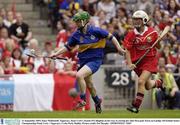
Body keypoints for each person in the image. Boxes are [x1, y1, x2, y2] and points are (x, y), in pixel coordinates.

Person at [50, 11, 125, 113]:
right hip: (83, 62)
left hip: (95, 60)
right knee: (89, 85)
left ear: (85, 21)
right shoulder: (76, 34)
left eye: (78, 22)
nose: (76, 24)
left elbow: (111, 37)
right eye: (76, 22)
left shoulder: (96, 30)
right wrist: (56, 54)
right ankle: (97, 101)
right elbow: (67, 47)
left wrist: (119, 48)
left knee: (79, 75)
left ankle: (82, 100)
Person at [123, 10, 163, 113]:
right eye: (134, 20)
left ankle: (136, 106)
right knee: (147, 85)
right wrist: (130, 63)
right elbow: (127, 50)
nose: (135, 22)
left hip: (150, 60)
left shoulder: (152, 32)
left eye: (138, 20)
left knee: (140, 82)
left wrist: (158, 41)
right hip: (138, 62)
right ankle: (158, 83)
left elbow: (159, 47)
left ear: (144, 20)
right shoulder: (131, 35)